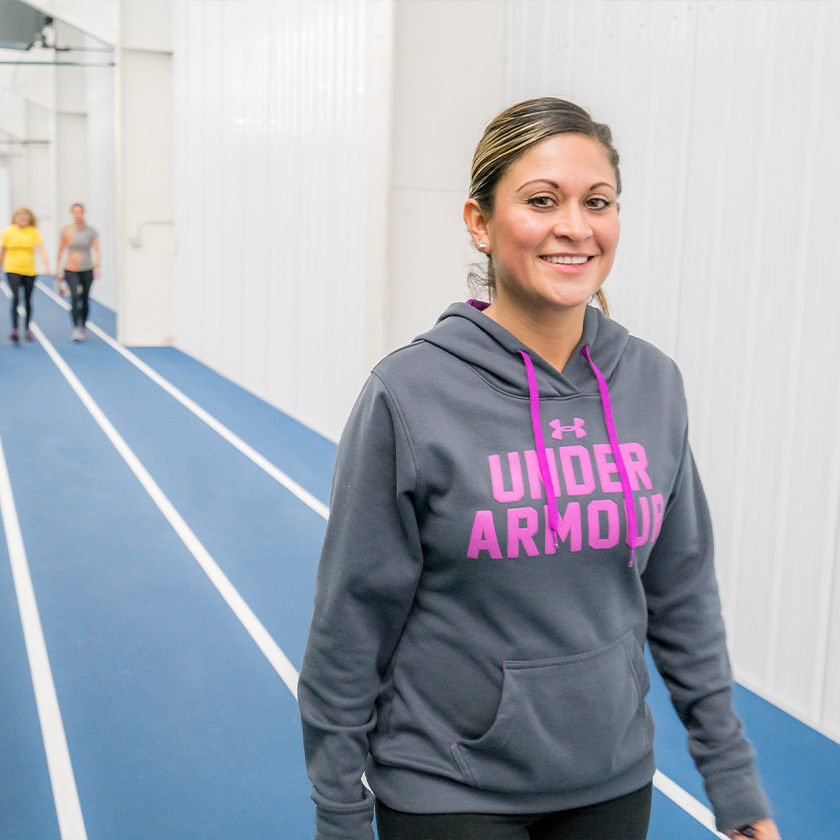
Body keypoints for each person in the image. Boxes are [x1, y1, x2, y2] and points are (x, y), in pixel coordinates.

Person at [298, 98, 781, 840]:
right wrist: (338, 813)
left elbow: (682, 592)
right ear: (480, 222)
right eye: (541, 200)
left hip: (611, 782)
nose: (575, 226)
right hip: (449, 787)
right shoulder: (410, 395)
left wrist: (733, 778)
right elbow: (350, 622)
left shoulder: (653, 383)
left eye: (598, 202)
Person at [1, 207, 51, 344]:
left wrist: (46, 265)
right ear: (15, 218)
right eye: (20, 217)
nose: (22, 220)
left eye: (25, 217)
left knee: (28, 300)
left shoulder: (33, 232)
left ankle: (27, 328)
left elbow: (40, 249)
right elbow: (3, 252)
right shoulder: (7, 232)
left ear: (29, 219)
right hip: (12, 269)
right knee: (16, 297)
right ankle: (15, 329)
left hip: (29, 271)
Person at [56, 202, 100, 341]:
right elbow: (60, 249)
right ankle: (76, 328)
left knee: (85, 298)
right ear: (72, 214)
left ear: (83, 213)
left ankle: (83, 325)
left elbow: (96, 250)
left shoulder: (90, 231)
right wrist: (58, 269)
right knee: (75, 296)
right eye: (75, 212)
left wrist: (97, 266)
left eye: (80, 212)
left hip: (86, 267)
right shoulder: (66, 230)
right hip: (70, 268)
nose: (77, 215)